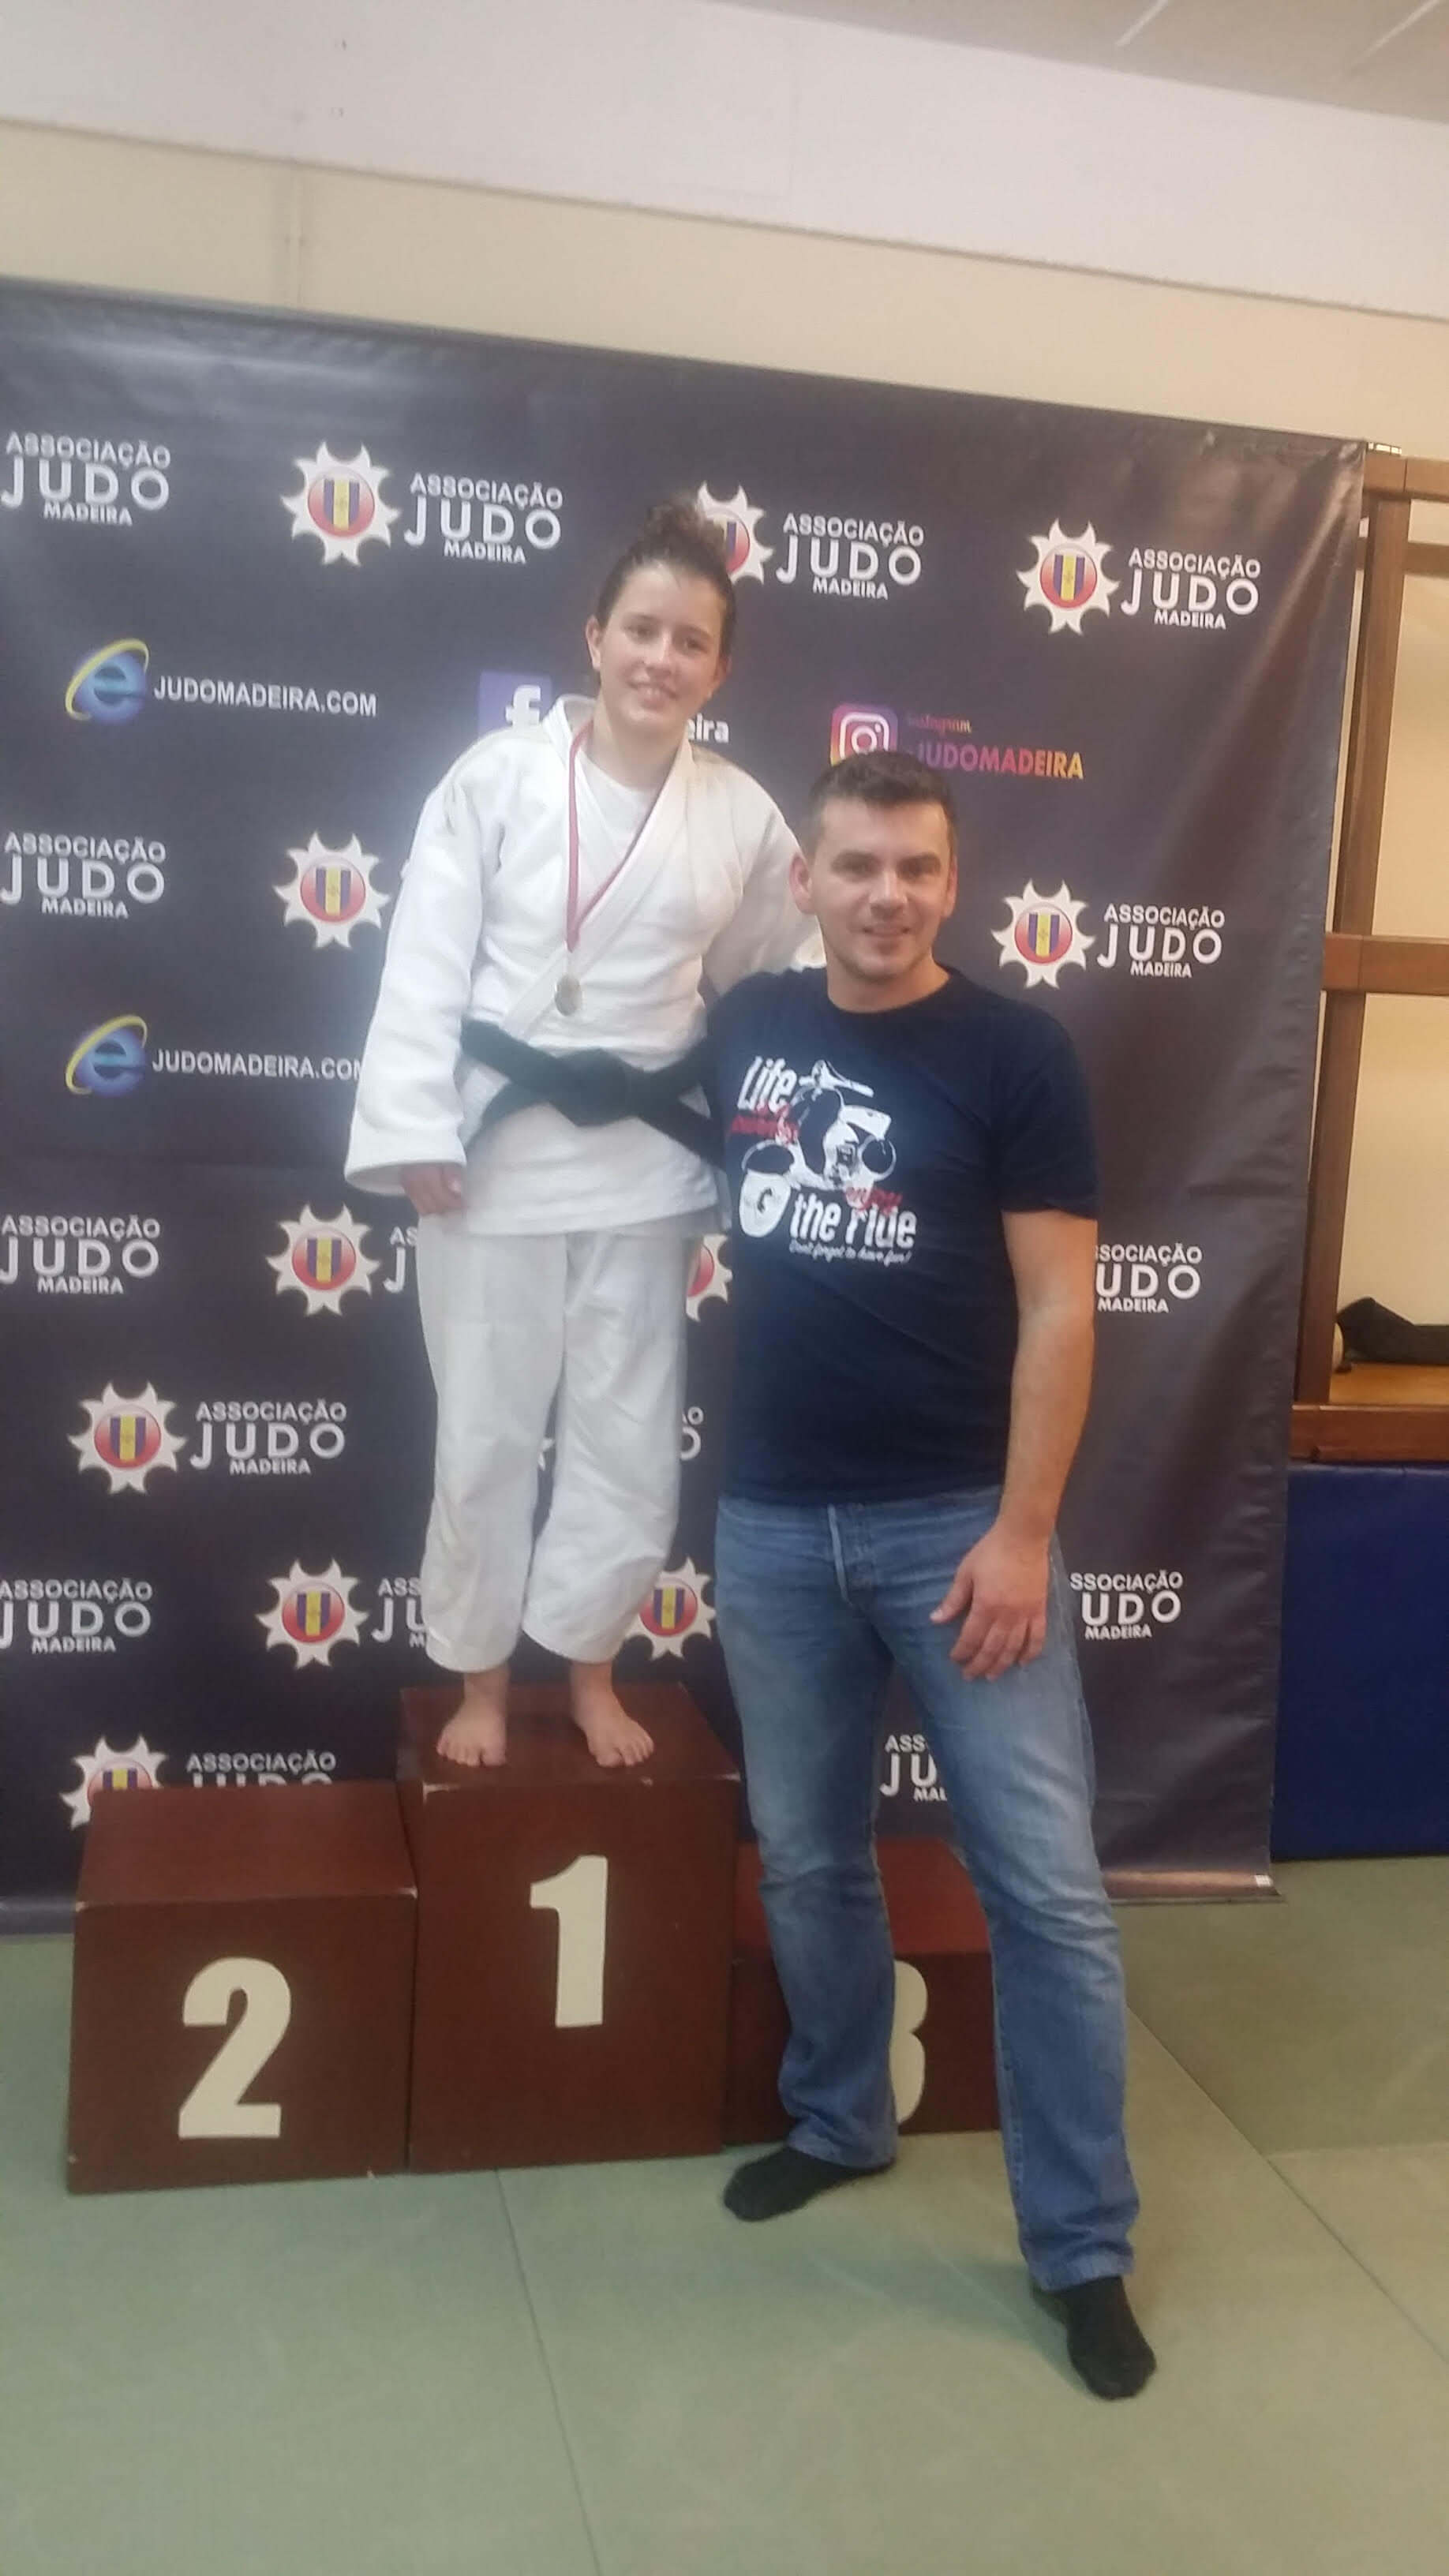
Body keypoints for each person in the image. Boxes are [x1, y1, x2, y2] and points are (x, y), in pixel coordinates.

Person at [703, 748, 1154, 2402]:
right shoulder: (746, 1027)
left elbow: (1060, 1307)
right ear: (805, 882)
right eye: (856, 866)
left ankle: (1083, 2247)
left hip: (960, 1533)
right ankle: (841, 2118)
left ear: (953, 885)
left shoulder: (1016, 1053)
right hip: (772, 1523)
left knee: (1047, 1894)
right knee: (810, 1857)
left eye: (915, 868)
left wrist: (1023, 1533)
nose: (885, 895)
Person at [345, 501, 814, 1771]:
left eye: (691, 641)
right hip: (492, 1158)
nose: (662, 658)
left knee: (627, 1434)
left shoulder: (740, 814)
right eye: (642, 630)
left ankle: (592, 1670)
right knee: (486, 1431)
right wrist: (414, 1125)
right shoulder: (492, 780)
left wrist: (772, 1131)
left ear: (721, 668)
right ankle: (483, 1682)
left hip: (645, 1161)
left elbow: (783, 970)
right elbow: (424, 962)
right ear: (595, 637)